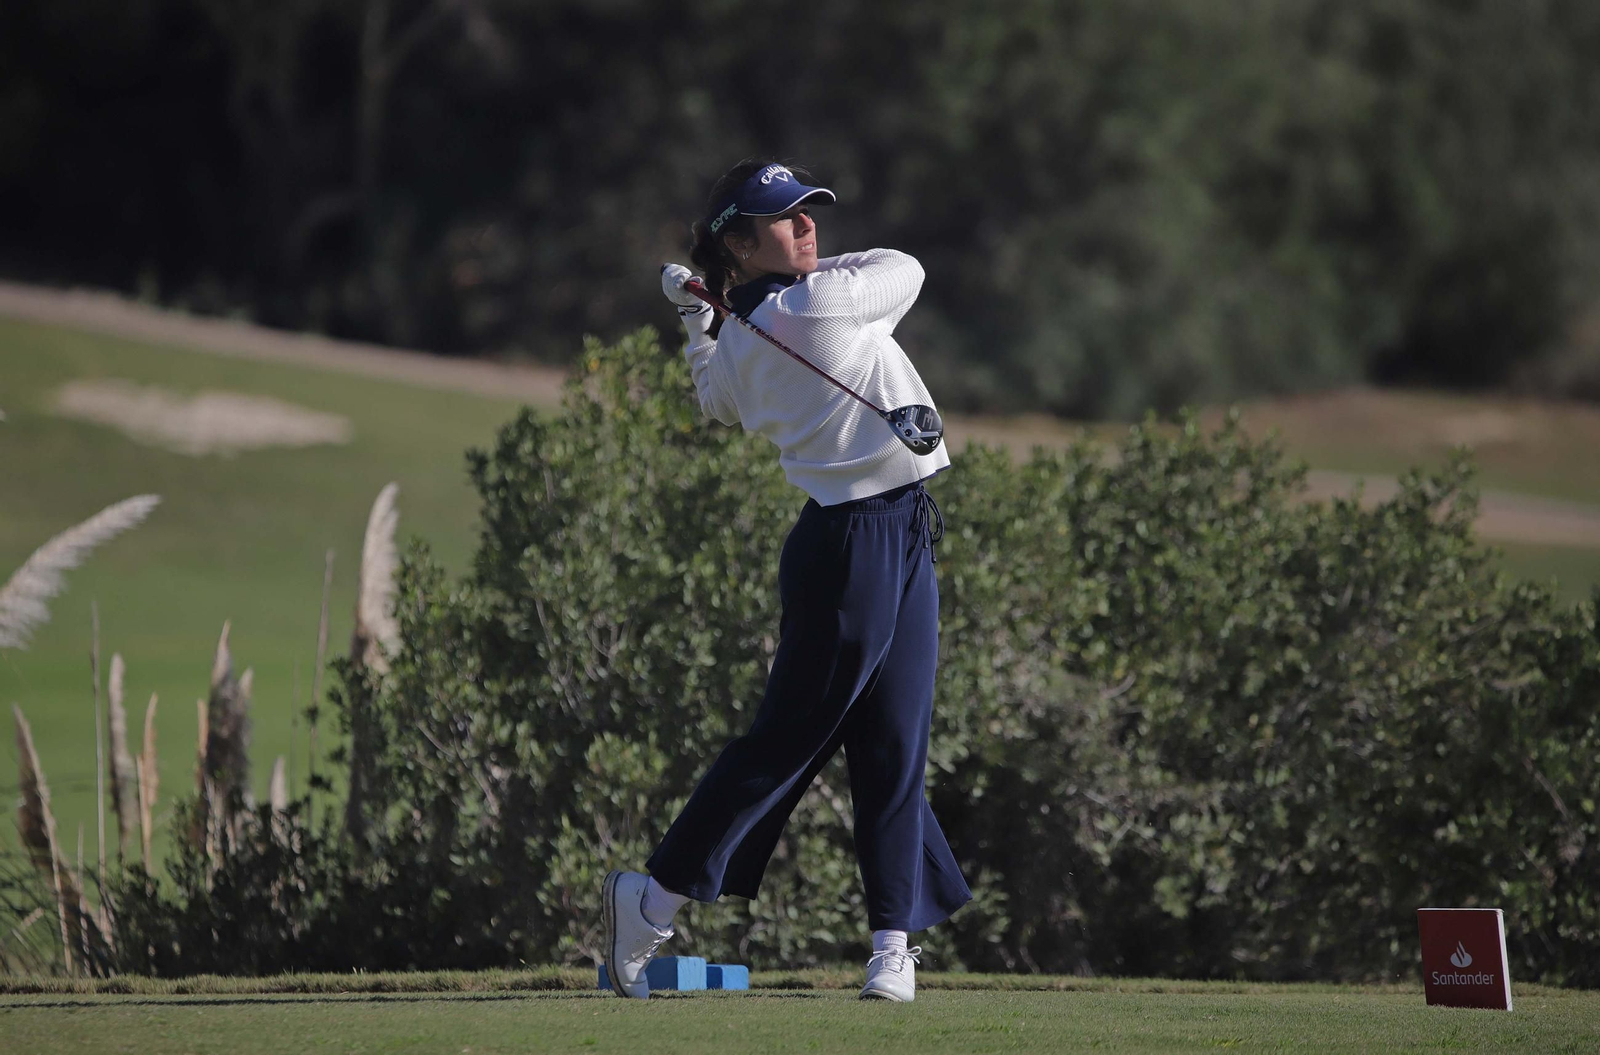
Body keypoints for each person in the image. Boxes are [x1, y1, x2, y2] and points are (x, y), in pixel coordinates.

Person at [602, 158, 971, 1003]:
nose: (807, 226)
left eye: (809, 211)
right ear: (738, 242)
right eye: (784, 218)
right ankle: (652, 898)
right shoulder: (822, 302)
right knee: (789, 739)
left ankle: (891, 946)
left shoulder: (741, 338)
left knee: (895, 738)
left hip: (897, 526)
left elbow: (715, 399)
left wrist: (703, 316)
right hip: (854, 544)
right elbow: (905, 268)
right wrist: (738, 297)